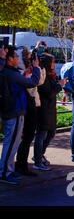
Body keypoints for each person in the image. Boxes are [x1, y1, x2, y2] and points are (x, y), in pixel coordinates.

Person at [0, 46, 41, 185]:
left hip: (13, 111)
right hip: (14, 112)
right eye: (16, 56)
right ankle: (5, 172)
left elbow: (17, 84)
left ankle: (8, 169)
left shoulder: (9, 72)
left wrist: (24, 74)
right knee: (10, 144)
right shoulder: (9, 73)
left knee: (12, 143)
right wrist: (36, 68)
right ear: (9, 58)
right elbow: (32, 82)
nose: (18, 58)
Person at [15, 47, 46, 176]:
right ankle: (19, 166)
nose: (30, 57)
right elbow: (34, 82)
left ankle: (22, 165)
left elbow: (40, 81)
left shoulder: (27, 70)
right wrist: (37, 68)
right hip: (27, 105)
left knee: (28, 137)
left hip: (32, 103)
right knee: (25, 137)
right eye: (28, 55)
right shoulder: (21, 72)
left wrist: (39, 68)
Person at [33, 53, 67, 171]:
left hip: (50, 108)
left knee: (51, 132)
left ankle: (39, 154)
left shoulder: (49, 75)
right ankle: (37, 160)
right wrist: (59, 85)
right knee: (42, 134)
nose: (54, 64)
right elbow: (48, 92)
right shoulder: (43, 75)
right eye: (52, 62)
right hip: (43, 109)